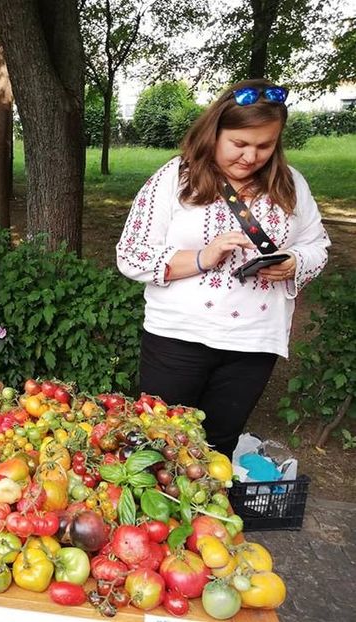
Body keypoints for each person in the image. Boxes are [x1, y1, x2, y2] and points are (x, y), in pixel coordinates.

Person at [116, 79, 330, 458]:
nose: (251, 157)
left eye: (265, 146)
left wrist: (294, 262)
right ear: (214, 132)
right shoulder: (175, 179)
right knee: (157, 447)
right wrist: (204, 256)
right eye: (240, 144)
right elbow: (131, 254)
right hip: (177, 339)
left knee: (217, 449)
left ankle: (207, 517)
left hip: (253, 344)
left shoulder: (291, 185)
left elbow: (318, 246)